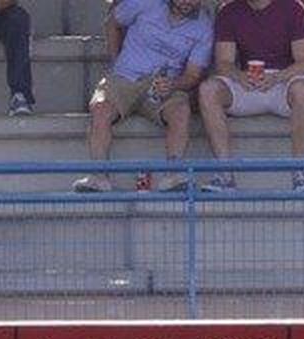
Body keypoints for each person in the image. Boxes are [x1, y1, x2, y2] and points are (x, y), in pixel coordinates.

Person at [73, 0, 212, 194]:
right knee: (100, 107)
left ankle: (172, 175)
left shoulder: (204, 26)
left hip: (164, 85)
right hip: (125, 77)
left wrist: (174, 84)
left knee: (181, 110)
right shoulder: (146, 3)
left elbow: (193, 75)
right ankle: (98, 176)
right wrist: (115, 62)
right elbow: (112, 21)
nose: (187, 1)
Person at [196, 0, 304, 193]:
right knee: (208, 89)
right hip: (247, 82)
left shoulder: (293, 8)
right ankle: (225, 175)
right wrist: (239, 76)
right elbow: (224, 62)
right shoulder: (229, 10)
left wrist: (277, 77)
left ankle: (300, 175)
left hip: (283, 82)